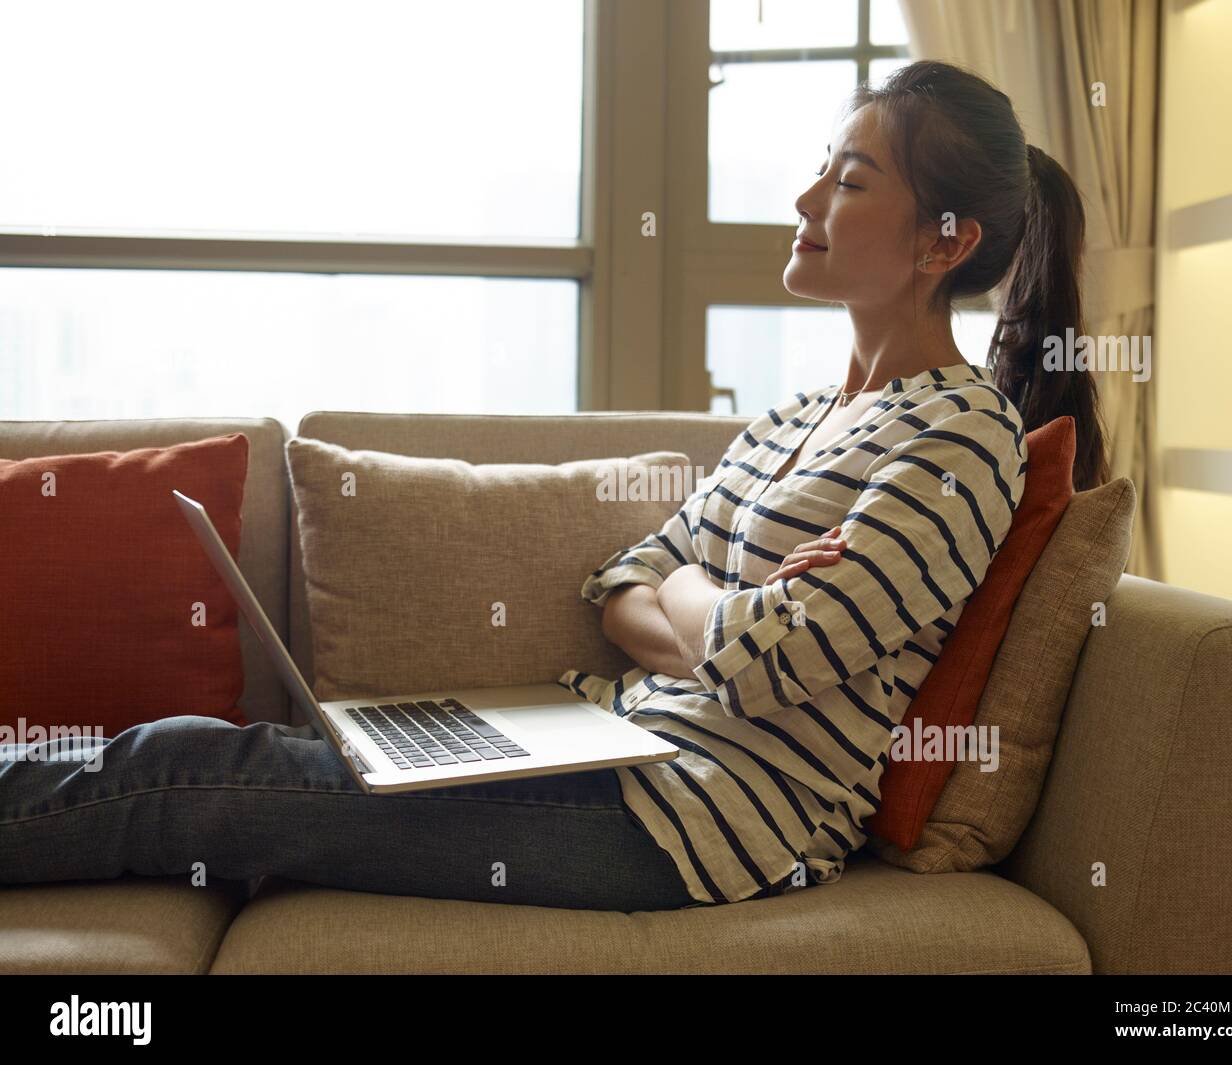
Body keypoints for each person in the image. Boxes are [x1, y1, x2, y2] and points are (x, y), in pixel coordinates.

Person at [0, 60, 1107, 912]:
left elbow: (779, 663)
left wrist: (700, 606)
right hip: (615, 753)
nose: (807, 193)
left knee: (199, 773)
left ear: (941, 242)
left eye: (851, 178)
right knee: (217, 754)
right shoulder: (793, 420)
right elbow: (625, 582)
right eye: (823, 162)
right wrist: (721, 606)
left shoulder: (963, 440)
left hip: (689, 827)